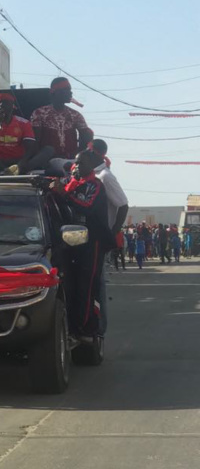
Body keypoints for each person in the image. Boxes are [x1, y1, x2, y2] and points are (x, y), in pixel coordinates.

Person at [52, 149, 115, 339]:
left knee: (87, 285)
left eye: (80, 163)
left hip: (92, 241)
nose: (76, 166)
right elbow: (59, 188)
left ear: (91, 165)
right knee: (71, 284)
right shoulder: (74, 182)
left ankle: (86, 326)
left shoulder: (95, 185)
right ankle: (73, 324)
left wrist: (64, 194)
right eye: (76, 163)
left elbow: (87, 207)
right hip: (70, 241)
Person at [83, 139, 128, 338]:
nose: (85, 153)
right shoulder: (91, 175)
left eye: (88, 150)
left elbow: (123, 204)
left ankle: (99, 330)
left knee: (99, 283)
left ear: (96, 153)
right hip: (90, 238)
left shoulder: (105, 177)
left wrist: (112, 232)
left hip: (101, 237)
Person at [30, 78, 94, 175]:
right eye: (67, 89)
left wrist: (79, 155)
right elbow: (35, 142)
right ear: (55, 92)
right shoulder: (40, 113)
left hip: (71, 160)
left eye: (70, 90)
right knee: (68, 166)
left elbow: (86, 136)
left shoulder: (75, 115)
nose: (70, 93)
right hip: (51, 161)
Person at [0, 92, 53, 174]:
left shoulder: (23, 123)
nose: (1, 105)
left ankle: (17, 170)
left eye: (5, 102)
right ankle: (8, 172)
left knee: (49, 150)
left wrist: (23, 162)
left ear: (12, 105)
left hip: (18, 160)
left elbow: (30, 148)